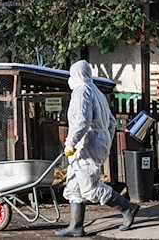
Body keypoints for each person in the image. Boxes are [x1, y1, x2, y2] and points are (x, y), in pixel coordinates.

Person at [54, 60, 139, 237]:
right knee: (74, 185)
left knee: (89, 187)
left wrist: (71, 142)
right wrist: (105, 139)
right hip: (97, 139)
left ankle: (127, 208)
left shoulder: (81, 91)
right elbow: (112, 122)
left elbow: (81, 121)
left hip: (87, 142)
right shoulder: (98, 92)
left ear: (76, 75)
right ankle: (76, 226)